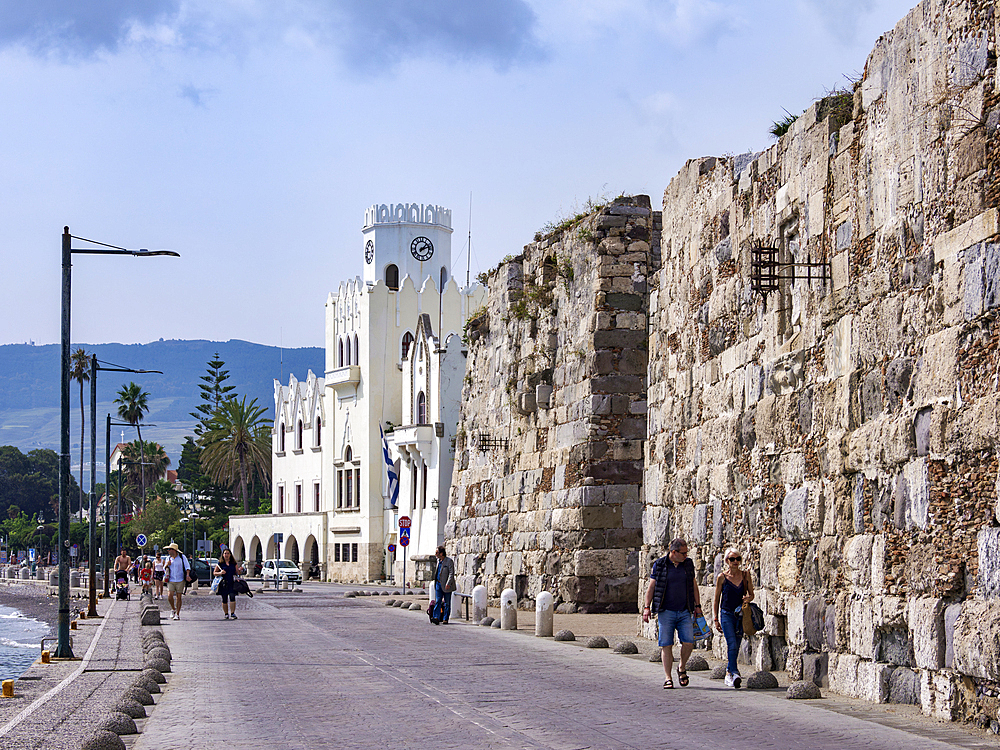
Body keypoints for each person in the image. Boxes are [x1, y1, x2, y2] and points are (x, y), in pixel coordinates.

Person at [643, 538, 703, 689]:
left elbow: (694, 586)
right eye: (683, 553)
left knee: (689, 642)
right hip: (666, 611)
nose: (686, 556)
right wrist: (646, 607)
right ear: (673, 552)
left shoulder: (687, 564)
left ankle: (681, 667)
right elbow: (651, 587)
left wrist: (698, 606)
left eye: (686, 553)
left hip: (684, 610)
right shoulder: (660, 564)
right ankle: (668, 678)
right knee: (666, 645)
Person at [713, 547, 754, 689]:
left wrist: (747, 599)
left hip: (740, 615)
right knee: (732, 643)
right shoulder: (722, 577)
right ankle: (735, 672)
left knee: (737, 642)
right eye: (732, 559)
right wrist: (715, 618)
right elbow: (717, 598)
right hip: (726, 614)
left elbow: (751, 594)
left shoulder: (745, 575)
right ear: (726, 561)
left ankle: (729, 672)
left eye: (738, 559)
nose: (735, 562)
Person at [213, 548, 244, 620]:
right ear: (223, 555)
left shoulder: (233, 563)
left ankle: (232, 613)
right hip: (223, 583)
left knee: (232, 597)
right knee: (224, 599)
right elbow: (214, 573)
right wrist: (220, 573)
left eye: (228, 553)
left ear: (230, 555)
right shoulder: (220, 563)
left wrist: (239, 570)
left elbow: (237, 573)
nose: (226, 555)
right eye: (225, 553)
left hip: (232, 582)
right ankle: (226, 614)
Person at [163, 542, 191, 620]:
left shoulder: (182, 557)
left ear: (174, 550)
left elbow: (187, 567)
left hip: (180, 580)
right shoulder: (168, 558)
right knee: (169, 596)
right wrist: (166, 565)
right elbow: (164, 569)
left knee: (179, 597)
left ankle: (177, 614)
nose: (168, 551)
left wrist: (187, 575)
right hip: (171, 579)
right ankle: (173, 609)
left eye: (169, 549)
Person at [429, 546, 456, 625]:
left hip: (446, 585)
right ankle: (436, 617)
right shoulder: (438, 561)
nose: (435, 554)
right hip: (438, 584)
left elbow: (451, 573)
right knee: (438, 601)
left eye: (437, 552)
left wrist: (448, 583)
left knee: (447, 602)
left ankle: (445, 618)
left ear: (441, 553)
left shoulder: (449, 561)